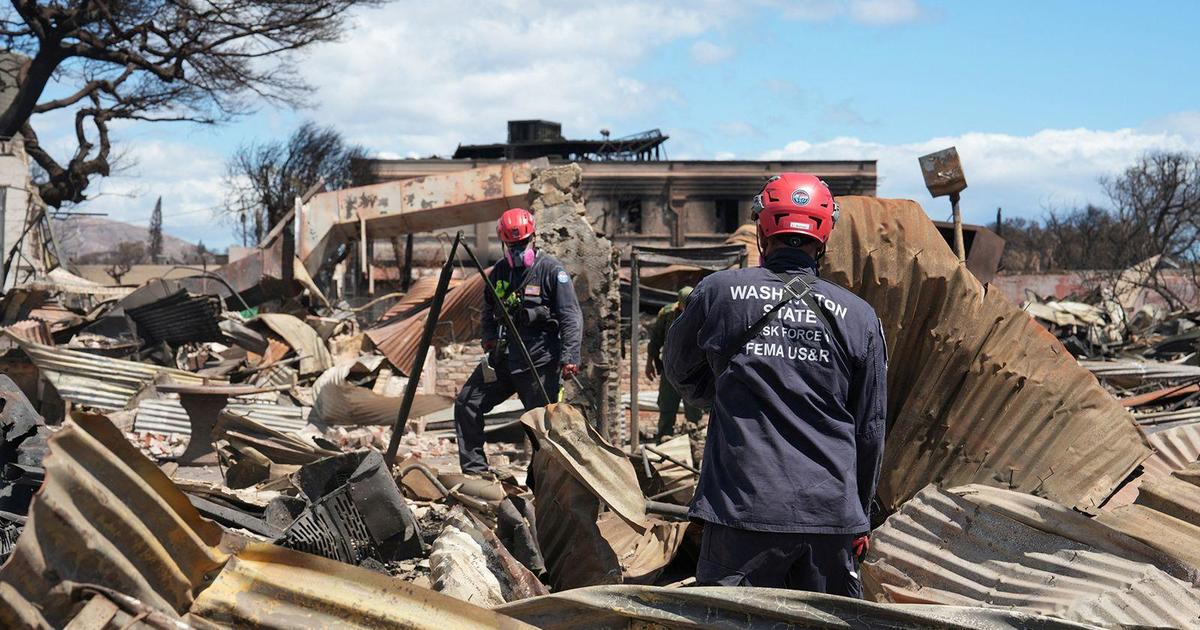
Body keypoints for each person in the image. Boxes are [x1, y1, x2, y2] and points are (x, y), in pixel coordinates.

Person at [664, 173, 886, 595]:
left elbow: (678, 370)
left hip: (740, 514)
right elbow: (869, 428)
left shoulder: (718, 293)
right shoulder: (859, 317)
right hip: (830, 519)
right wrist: (859, 514)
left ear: (763, 229)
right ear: (825, 235)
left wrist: (723, 399)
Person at [453, 208, 583, 474]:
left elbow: (571, 316)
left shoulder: (551, 271)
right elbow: (488, 312)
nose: (516, 250)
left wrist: (570, 357)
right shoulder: (499, 272)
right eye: (511, 245)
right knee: (467, 403)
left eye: (522, 244)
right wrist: (488, 339)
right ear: (503, 243)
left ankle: (545, 484)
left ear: (533, 239)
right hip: (504, 360)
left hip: (539, 363)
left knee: (541, 429)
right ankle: (475, 470)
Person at [646, 286, 703, 441]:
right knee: (667, 402)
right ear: (679, 304)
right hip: (671, 366)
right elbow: (656, 338)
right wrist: (650, 361)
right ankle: (665, 434)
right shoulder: (667, 313)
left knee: (694, 404)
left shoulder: (703, 311)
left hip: (694, 368)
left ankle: (694, 433)